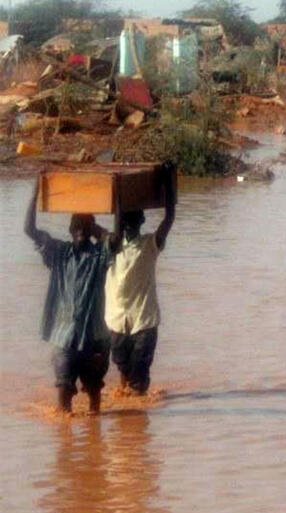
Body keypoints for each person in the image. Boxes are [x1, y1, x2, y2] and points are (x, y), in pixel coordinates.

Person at [24, 183, 112, 414]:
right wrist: (36, 192)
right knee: (62, 408)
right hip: (64, 340)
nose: (80, 228)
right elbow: (30, 229)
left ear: (91, 228)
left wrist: (97, 227)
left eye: (85, 224)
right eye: (77, 224)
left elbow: (115, 240)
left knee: (95, 407)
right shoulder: (59, 253)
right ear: (70, 228)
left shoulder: (99, 254)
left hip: (95, 341)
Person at [104, 170, 177, 395]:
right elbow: (110, 229)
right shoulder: (111, 245)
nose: (130, 225)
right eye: (126, 221)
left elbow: (169, 219)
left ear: (142, 222)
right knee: (122, 371)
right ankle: (129, 420)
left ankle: (136, 422)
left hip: (144, 320)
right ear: (121, 223)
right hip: (117, 319)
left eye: (134, 220)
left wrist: (169, 188)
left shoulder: (150, 244)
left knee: (139, 380)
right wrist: (117, 194)